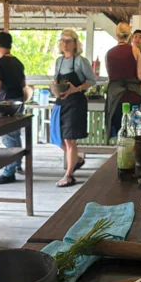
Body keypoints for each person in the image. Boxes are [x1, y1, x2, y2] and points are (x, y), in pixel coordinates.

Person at [53, 29, 97, 188]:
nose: (64, 44)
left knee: (69, 139)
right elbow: (55, 79)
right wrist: (54, 87)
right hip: (61, 102)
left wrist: (75, 88)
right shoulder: (59, 61)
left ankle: (69, 175)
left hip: (76, 103)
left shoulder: (80, 61)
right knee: (56, 137)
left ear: (75, 43)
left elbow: (92, 81)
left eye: (68, 41)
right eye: (62, 40)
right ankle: (76, 159)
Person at [0, 32, 27, 185]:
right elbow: (24, 86)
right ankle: (17, 163)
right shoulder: (18, 63)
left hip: (6, 104)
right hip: (19, 101)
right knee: (15, 134)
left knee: (8, 137)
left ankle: (9, 172)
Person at [104, 23, 141, 138]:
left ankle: (120, 151)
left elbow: (110, 76)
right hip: (132, 94)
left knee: (119, 128)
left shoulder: (108, 53)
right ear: (129, 36)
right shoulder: (135, 50)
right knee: (132, 128)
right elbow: (140, 76)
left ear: (116, 35)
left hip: (115, 95)